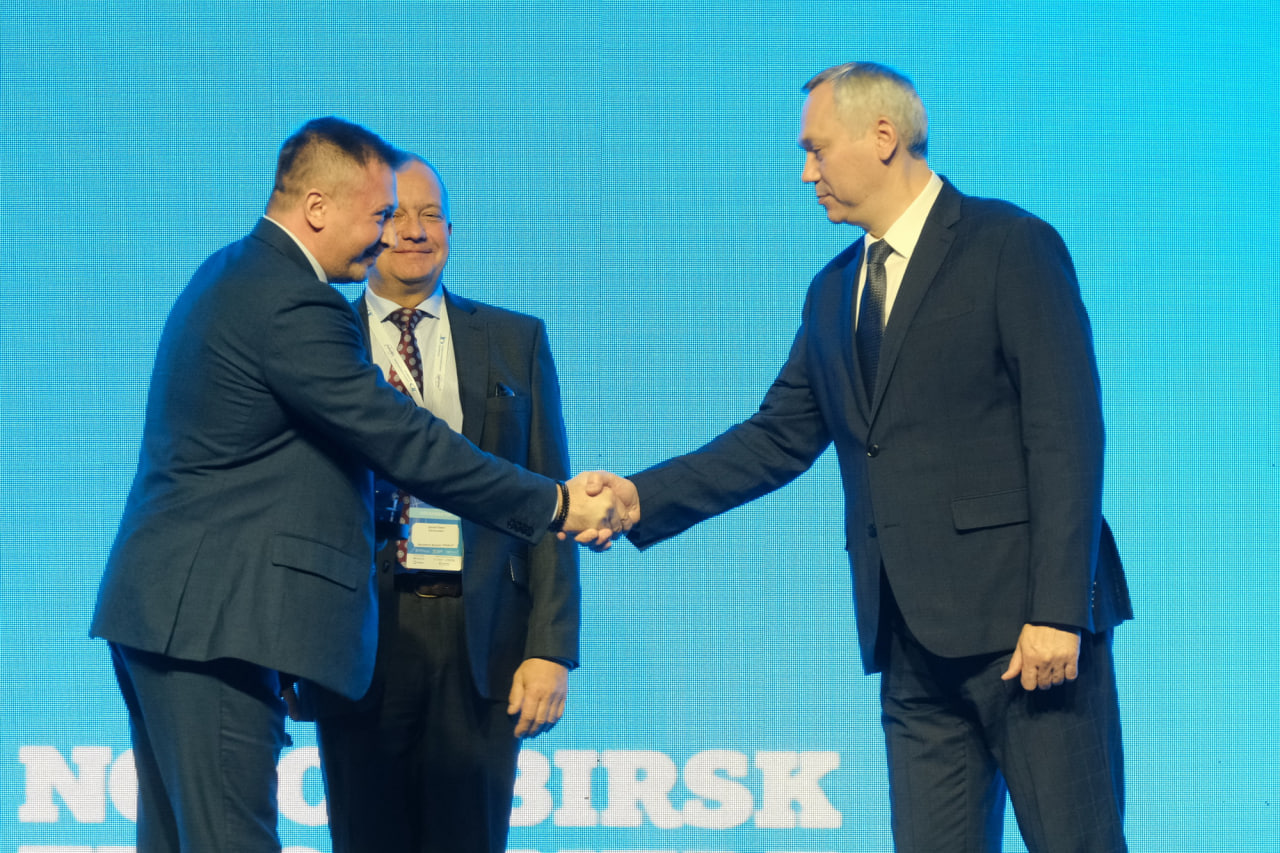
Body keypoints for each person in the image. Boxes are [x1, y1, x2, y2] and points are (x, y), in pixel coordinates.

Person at [618, 63, 1132, 852]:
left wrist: (1059, 611)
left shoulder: (1009, 244)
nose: (807, 172)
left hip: (1027, 634)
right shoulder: (833, 291)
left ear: (883, 136)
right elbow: (777, 436)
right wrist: (636, 498)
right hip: (911, 646)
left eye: (816, 149)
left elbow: (1067, 431)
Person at [90, 117, 635, 853]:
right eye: (379, 214)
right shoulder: (293, 300)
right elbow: (403, 440)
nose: (386, 234)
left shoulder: (234, 272)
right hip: (215, 628)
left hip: (177, 618)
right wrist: (557, 502)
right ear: (318, 207)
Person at [294, 154, 580, 853]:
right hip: (361, 635)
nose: (415, 231)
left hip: (481, 636)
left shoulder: (514, 339)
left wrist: (551, 649)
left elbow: (550, 497)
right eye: (395, 215)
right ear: (369, 227)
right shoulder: (321, 341)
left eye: (432, 216)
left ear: (452, 229)